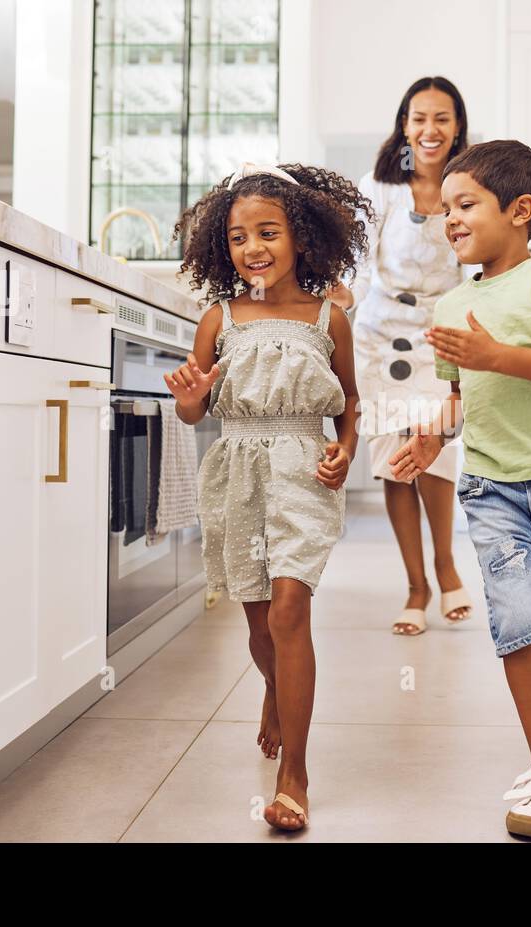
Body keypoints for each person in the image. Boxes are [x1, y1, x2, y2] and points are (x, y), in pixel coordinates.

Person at [390, 140, 531, 839]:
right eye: (445, 208)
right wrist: (431, 434)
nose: (449, 219)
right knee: (518, 617)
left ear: (520, 211)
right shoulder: (453, 303)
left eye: (465, 204)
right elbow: (464, 397)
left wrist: (496, 355)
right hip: (491, 489)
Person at [167, 162, 371, 832]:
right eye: (237, 236)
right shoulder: (217, 318)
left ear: (302, 238)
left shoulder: (328, 317)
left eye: (268, 232)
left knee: (289, 611)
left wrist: (343, 447)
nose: (252, 247)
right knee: (258, 625)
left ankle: (296, 774)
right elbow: (197, 414)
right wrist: (193, 404)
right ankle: (273, 690)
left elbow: (351, 405)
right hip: (238, 468)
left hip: (303, 467)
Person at [327, 76, 475, 636]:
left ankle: (445, 562)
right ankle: (416, 585)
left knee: (434, 451)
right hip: (381, 337)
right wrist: (345, 296)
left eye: (441, 118)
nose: (429, 130)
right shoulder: (381, 185)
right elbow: (361, 263)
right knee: (395, 461)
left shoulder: (469, 183)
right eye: (418, 118)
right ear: (404, 125)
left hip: (439, 335)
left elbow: (474, 260)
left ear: (458, 124)